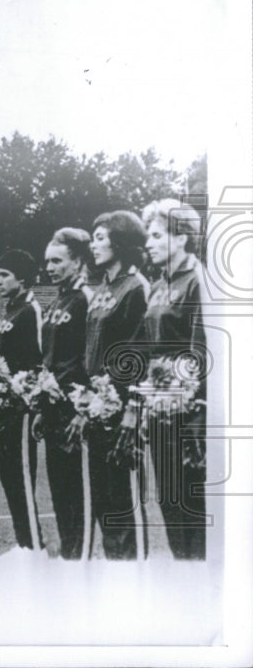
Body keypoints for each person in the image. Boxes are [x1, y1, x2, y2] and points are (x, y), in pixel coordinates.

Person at [80, 210, 150, 559]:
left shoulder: (137, 289)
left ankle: (130, 576)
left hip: (122, 412)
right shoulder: (102, 289)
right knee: (103, 498)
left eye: (101, 238)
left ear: (121, 242)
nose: (93, 245)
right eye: (93, 238)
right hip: (95, 408)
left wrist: (129, 408)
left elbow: (139, 356)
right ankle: (113, 569)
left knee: (123, 499)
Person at [141, 199, 208, 559]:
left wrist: (196, 409)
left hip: (189, 411)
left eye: (155, 235)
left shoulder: (200, 282)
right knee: (168, 497)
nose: (148, 243)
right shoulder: (157, 285)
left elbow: (202, 350)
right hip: (159, 409)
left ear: (181, 238)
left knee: (192, 502)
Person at [36, 227, 94, 560]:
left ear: (78, 261)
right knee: (59, 486)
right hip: (54, 408)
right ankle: (69, 550)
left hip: (75, 411)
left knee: (78, 489)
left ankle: (79, 555)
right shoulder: (57, 299)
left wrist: (82, 409)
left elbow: (90, 358)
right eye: (47, 261)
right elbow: (50, 359)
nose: (50, 267)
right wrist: (44, 406)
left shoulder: (86, 299)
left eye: (57, 260)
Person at [0, 249, 44, 554]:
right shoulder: (9, 310)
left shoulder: (31, 310)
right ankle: (24, 544)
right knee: (9, 477)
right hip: (2, 408)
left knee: (21, 478)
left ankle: (34, 546)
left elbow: (38, 360)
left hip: (20, 409)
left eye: (4, 274)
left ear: (22, 277)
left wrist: (28, 402)